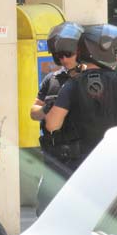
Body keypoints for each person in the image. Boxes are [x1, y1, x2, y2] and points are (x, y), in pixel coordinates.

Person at [46, 24, 117, 166]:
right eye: (116, 52)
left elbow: (52, 125)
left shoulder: (71, 85)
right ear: (101, 51)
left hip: (80, 166)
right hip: (116, 160)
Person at [30, 22, 84, 216]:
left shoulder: (89, 79)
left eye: (68, 54)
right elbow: (33, 111)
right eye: (59, 56)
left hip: (80, 158)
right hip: (54, 157)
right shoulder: (52, 80)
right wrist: (46, 109)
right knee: (45, 209)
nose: (63, 59)